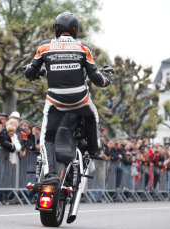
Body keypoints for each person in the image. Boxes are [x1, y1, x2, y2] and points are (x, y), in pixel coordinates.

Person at [24, 11, 114, 179]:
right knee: (92, 114)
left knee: (46, 137)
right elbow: (95, 76)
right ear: (75, 30)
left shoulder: (44, 46)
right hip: (80, 98)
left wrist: (30, 71)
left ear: (56, 30)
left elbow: (30, 73)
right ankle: (94, 149)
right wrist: (106, 82)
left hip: (56, 100)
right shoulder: (83, 47)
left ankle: (50, 174)